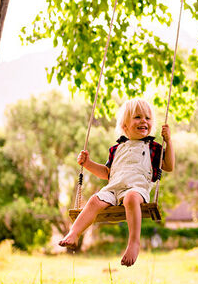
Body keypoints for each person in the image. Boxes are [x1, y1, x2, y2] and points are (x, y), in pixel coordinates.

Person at [58, 97, 175, 266]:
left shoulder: (153, 147)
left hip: (137, 189)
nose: (144, 121)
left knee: (131, 198)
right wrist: (88, 164)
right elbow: (107, 173)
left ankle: (134, 242)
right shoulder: (116, 149)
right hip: (113, 189)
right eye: (137, 117)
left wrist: (168, 141)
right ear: (125, 126)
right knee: (94, 200)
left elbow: (169, 166)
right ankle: (74, 233)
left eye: (148, 118)